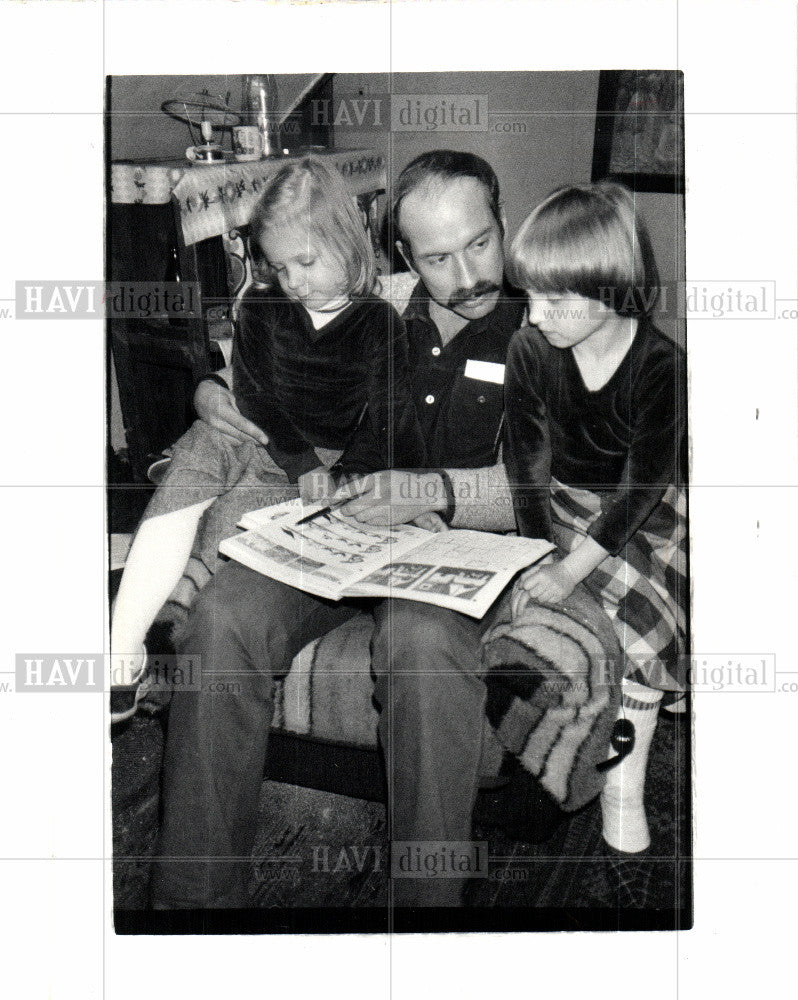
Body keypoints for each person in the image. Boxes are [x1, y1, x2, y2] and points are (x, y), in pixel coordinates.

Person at [149, 150, 527, 909]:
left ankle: (427, 914)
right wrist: (209, 390)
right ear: (400, 257)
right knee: (219, 621)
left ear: (504, 225)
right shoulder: (378, 302)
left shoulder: (551, 330)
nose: (465, 277)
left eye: (480, 244)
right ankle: (191, 911)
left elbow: (553, 490)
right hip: (332, 534)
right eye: (437, 258)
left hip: (442, 554)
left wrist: (434, 491)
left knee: (421, 647)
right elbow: (282, 347)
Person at [110, 156, 424, 687]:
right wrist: (293, 457)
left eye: (305, 262)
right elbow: (252, 393)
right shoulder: (260, 305)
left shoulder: (378, 323)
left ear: (347, 240)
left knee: (228, 524)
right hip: (253, 431)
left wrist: (341, 476)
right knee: (195, 462)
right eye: (279, 267)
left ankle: (175, 613)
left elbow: (387, 423)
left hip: (313, 463)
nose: (292, 282)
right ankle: (120, 653)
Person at [503, 182, 688, 854]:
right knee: (565, 618)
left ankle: (622, 782)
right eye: (528, 296)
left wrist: (580, 562)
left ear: (612, 289)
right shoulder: (530, 350)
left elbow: (644, 486)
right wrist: (541, 557)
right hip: (562, 504)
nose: (533, 316)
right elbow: (525, 464)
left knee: (643, 635)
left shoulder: (661, 364)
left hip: (641, 513)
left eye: (553, 300)